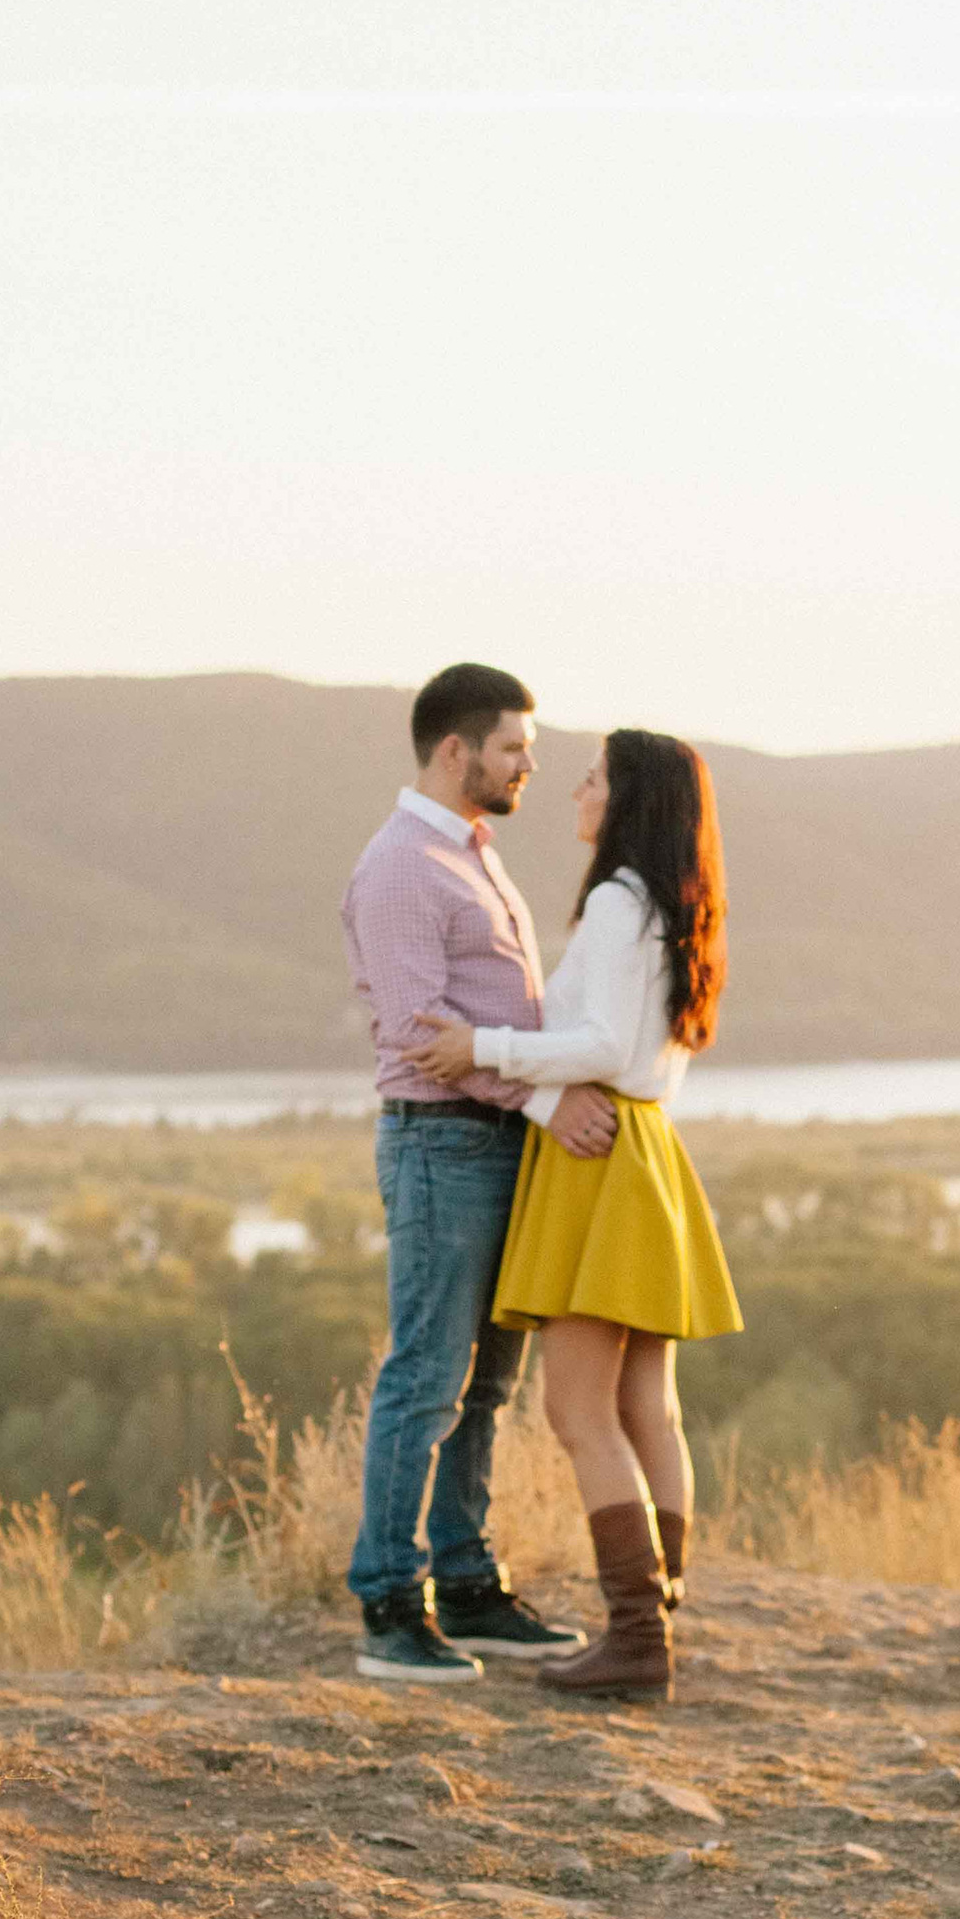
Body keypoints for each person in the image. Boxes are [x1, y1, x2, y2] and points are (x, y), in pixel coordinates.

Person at [408, 727, 741, 1703]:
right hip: (646, 1150)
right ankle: (655, 1622)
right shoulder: (678, 905)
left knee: (576, 1408)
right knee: (647, 1407)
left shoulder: (614, 899)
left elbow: (594, 1041)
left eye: (592, 777)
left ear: (628, 799)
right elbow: (627, 1044)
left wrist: (483, 1047)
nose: (576, 792)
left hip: (598, 1159)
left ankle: (637, 1639)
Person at [340, 662, 622, 1685]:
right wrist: (548, 1098)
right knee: (426, 1378)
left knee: (489, 1383)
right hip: (441, 1144)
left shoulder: (472, 855)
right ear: (455, 750)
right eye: (512, 750)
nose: (528, 766)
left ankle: (466, 1583)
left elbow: (500, 1020)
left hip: (497, 1142)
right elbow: (421, 1036)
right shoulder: (403, 868)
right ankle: (387, 1603)